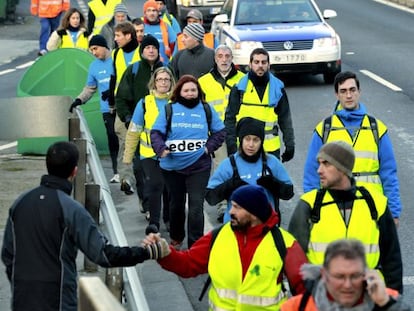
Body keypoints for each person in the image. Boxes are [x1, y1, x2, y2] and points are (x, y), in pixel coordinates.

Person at [0, 141, 170, 311]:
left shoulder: (20, 203)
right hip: (59, 300)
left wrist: (22, 283)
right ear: (74, 171)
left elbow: (8, 254)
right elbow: (104, 255)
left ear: (47, 165)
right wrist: (147, 252)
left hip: (21, 299)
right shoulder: (70, 209)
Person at [145, 184, 309, 310]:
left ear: (254, 213)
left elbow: (306, 291)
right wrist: (166, 254)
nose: (231, 212)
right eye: (232, 205)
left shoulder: (284, 243)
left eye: (238, 207)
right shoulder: (218, 237)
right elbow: (188, 264)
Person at [288, 141, 403, 293]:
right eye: (319, 164)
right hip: (322, 300)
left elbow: (392, 260)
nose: (319, 170)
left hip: (369, 300)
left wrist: (391, 301)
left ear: (343, 168)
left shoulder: (376, 204)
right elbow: (294, 261)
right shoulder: (309, 205)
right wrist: (307, 295)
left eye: (326, 164)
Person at [303, 71, 402, 225]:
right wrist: (312, 210)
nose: (348, 95)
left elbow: (389, 173)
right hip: (334, 208)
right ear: (337, 95)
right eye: (343, 91)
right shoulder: (324, 129)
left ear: (359, 92)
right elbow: (311, 173)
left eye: (352, 90)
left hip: (372, 209)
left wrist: (393, 212)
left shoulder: (377, 128)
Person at [150, 75, 226, 248]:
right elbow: (155, 133)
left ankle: (195, 244)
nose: (190, 93)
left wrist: (208, 148)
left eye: (194, 90)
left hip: (199, 166)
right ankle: (177, 237)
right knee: (176, 205)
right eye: (186, 90)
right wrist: (161, 149)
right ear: (179, 92)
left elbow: (220, 132)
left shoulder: (206, 109)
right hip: (172, 167)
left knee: (195, 206)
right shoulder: (170, 109)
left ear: (198, 91)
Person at [206, 117, 294, 223]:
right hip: (234, 228)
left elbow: (289, 193)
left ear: (261, 142)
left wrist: (273, 183)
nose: (251, 144)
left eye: (255, 140)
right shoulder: (229, 164)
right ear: (241, 139)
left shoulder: (272, 163)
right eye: (247, 139)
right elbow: (210, 197)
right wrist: (230, 185)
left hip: (264, 226)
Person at [281, 239, 410, 310]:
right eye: (339, 276)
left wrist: (385, 304)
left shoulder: (388, 299)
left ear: (366, 274)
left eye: (355, 276)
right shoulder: (295, 307)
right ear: (323, 274)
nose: (348, 285)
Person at [123, 67, 175, 231]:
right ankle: (154, 221)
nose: (163, 83)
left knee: (169, 188)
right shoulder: (145, 103)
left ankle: (168, 218)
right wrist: (127, 156)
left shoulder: (176, 102)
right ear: (154, 82)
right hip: (149, 154)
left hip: (172, 155)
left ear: (171, 82)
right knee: (155, 185)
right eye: (160, 79)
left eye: (167, 79)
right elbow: (134, 131)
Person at [199, 45, 244, 221]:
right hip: (217, 132)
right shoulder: (203, 82)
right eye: (220, 56)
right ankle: (223, 205)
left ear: (232, 58)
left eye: (227, 56)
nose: (224, 59)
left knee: (241, 167)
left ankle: (241, 202)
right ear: (215, 59)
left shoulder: (243, 80)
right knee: (221, 168)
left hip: (240, 131)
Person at [115, 34, 163, 200]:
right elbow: (120, 97)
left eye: (154, 48)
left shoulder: (165, 71)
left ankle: (156, 205)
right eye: (148, 48)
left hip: (161, 131)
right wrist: (127, 117)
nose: (151, 51)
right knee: (140, 167)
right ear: (142, 51)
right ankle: (145, 201)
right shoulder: (133, 70)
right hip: (137, 127)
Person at [225, 48, 295, 161]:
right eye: (256, 62)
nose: (260, 65)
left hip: (270, 149)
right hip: (246, 148)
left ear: (269, 65)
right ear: (250, 64)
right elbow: (230, 119)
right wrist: (231, 145)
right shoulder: (239, 88)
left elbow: (285, 119)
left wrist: (290, 144)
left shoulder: (278, 88)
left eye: (263, 62)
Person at [70, 35, 119, 184]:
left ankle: (130, 171)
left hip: (121, 106)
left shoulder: (117, 58)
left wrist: (113, 93)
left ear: (104, 46)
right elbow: (90, 88)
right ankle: (117, 171)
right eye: (91, 49)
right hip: (107, 109)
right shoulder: (94, 66)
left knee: (126, 139)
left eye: (95, 48)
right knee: (112, 137)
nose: (93, 52)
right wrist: (79, 100)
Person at [142, 0, 177, 64]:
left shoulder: (166, 26)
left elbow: (175, 45)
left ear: (158, 12)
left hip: (163, 66)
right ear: (145, 13)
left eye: (154, 10)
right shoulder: (141, 27)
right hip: (144, 66)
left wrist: (171, 62)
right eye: (149, 10)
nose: (152, 13)